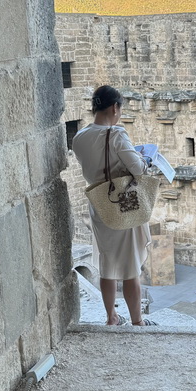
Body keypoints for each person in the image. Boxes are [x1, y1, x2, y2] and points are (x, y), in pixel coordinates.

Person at [71, 85, 156, 326]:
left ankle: (111, 317)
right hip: (123, 205)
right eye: (120, 109)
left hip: (100, 206)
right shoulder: (117, 135)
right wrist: (144, 158)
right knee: (130, 266)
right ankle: (137, 320)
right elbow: (138, 169)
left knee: (106, 263)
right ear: (114, 107)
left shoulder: (79, 137)